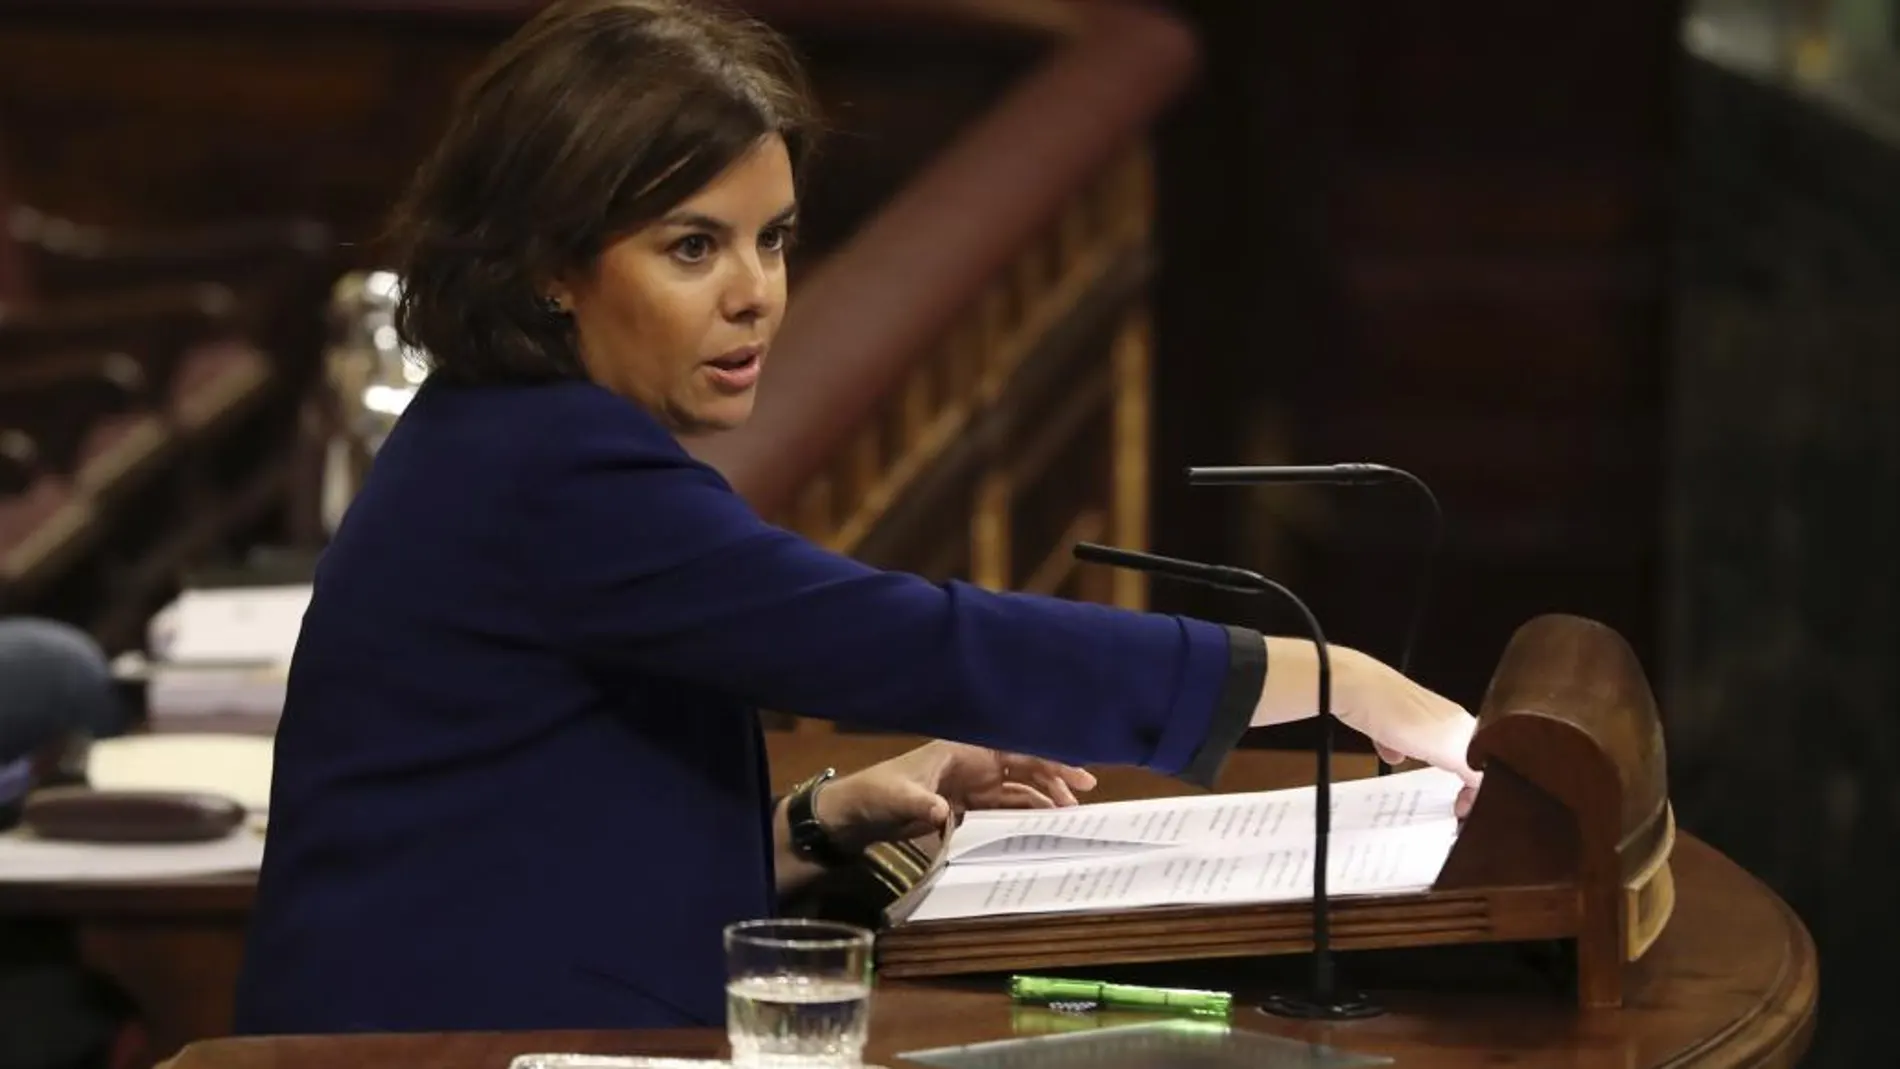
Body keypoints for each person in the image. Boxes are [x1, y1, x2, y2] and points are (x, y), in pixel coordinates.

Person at [233, 0, 1480, 1036]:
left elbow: (530, 829)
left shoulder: (508, 427)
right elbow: (917, 643)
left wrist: (817, 820)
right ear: (550, 268)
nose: (755, 296)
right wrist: (1330, 675)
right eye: (690, 248)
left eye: (771, 240)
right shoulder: (550, 472)